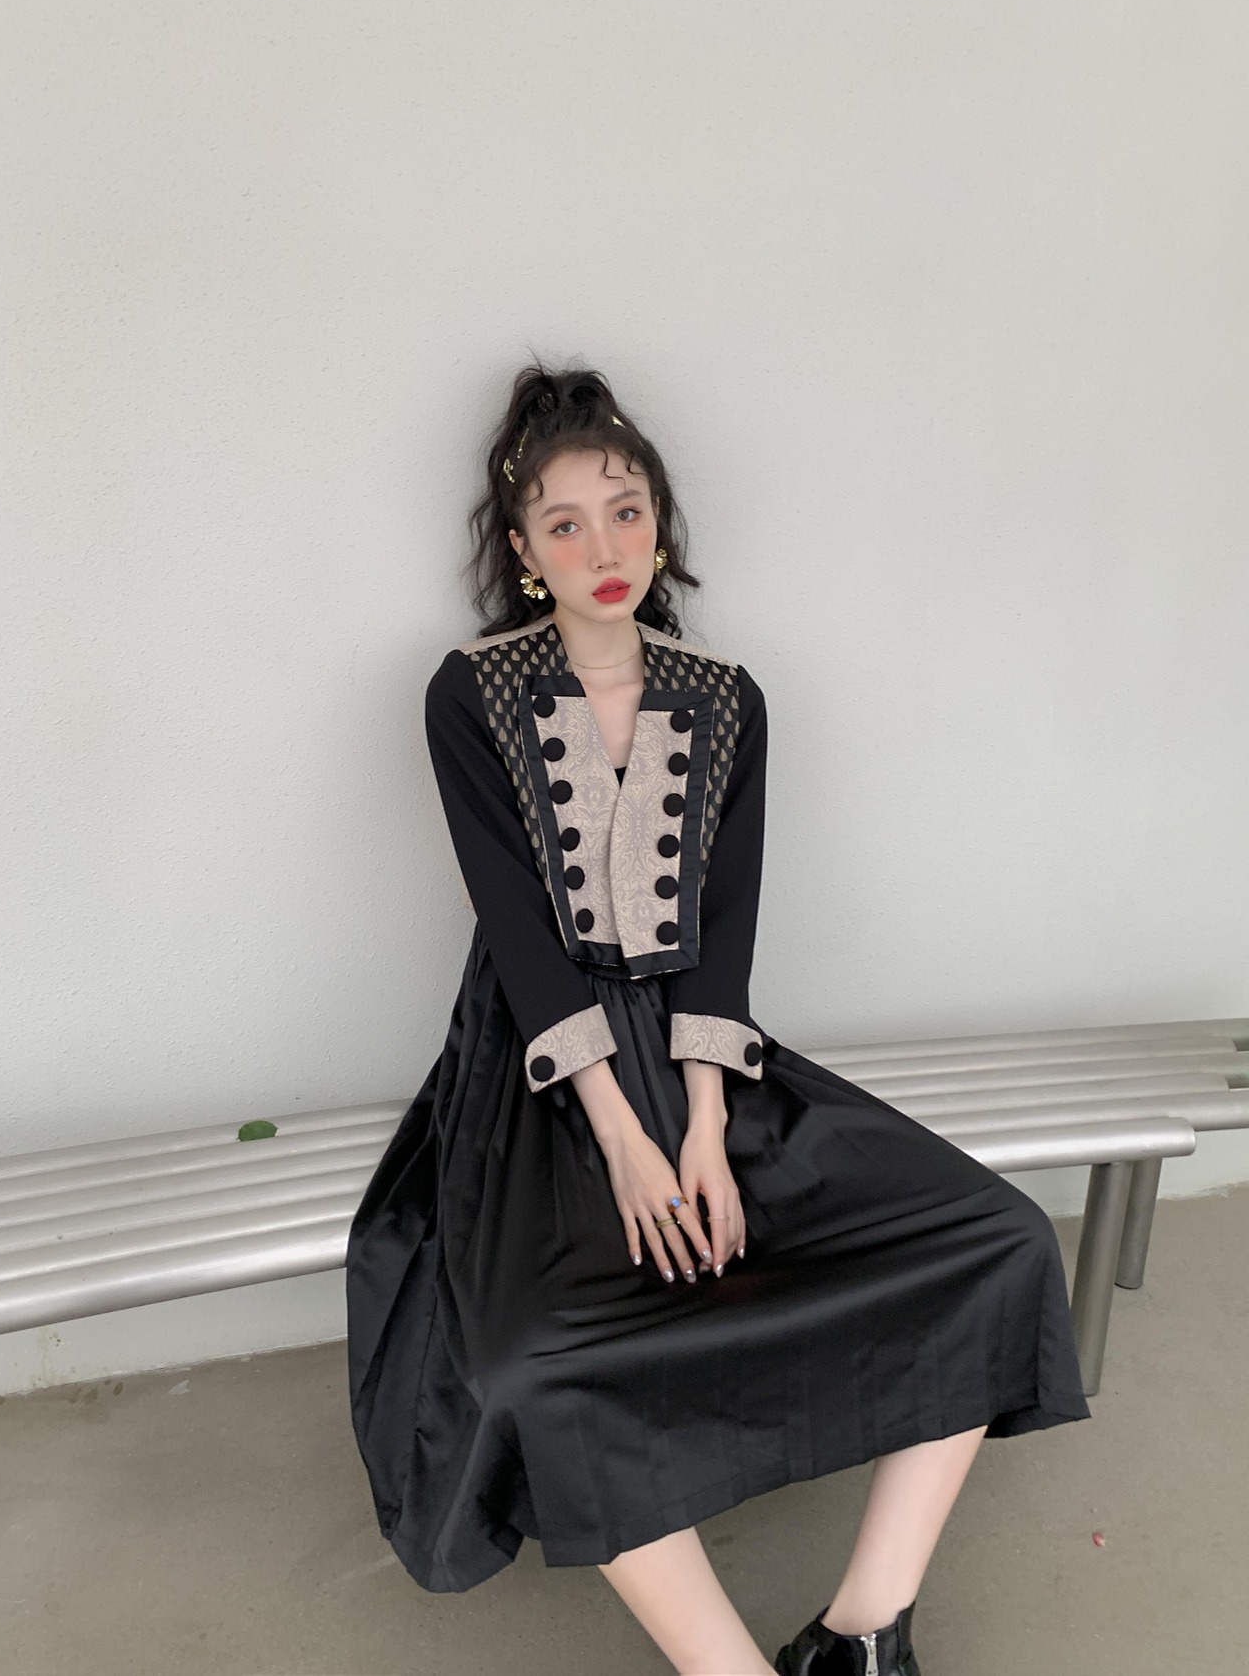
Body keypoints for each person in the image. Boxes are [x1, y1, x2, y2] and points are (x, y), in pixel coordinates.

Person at [344, 362, 1091, 1676]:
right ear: (523, 552)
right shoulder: (469, 693)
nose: (603, 549)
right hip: (538, 1075)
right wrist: (626, 1144)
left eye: (626, 512)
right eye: (565, 523)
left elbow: (725, 932)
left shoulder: (725, 695)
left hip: (704, 1063)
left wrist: (699, 1127)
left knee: (1001, 1242)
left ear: (662, 524)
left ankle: (862, 1637)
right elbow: (521, 938)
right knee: (535, 1368)